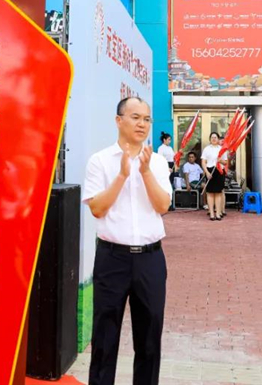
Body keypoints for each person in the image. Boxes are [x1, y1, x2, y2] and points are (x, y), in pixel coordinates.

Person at [83, 97, 172, 385]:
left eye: (147, 119)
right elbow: (97, 208)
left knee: (149, 340)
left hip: (150, 260)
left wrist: (144, 172)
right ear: (118, 120)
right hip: (112, 259)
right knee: (104, 338)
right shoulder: (99, 161)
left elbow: (162, 206)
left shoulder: (157, 162)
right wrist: (122, 175)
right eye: (135, 117)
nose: (142, 124)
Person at [201, 132, 228, 221]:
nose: (213, 139)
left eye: (215, 137)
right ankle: (212, 214)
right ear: (210, 139)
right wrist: (206, 172)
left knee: (218, 193)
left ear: (218, 139)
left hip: (219, 171)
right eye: (212, 137)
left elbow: (225, 162)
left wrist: (220, 161)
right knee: (210, 193)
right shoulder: (206, 149)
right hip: (209, 171)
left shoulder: (222, 149)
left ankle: (218, 213)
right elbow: (203, 162)